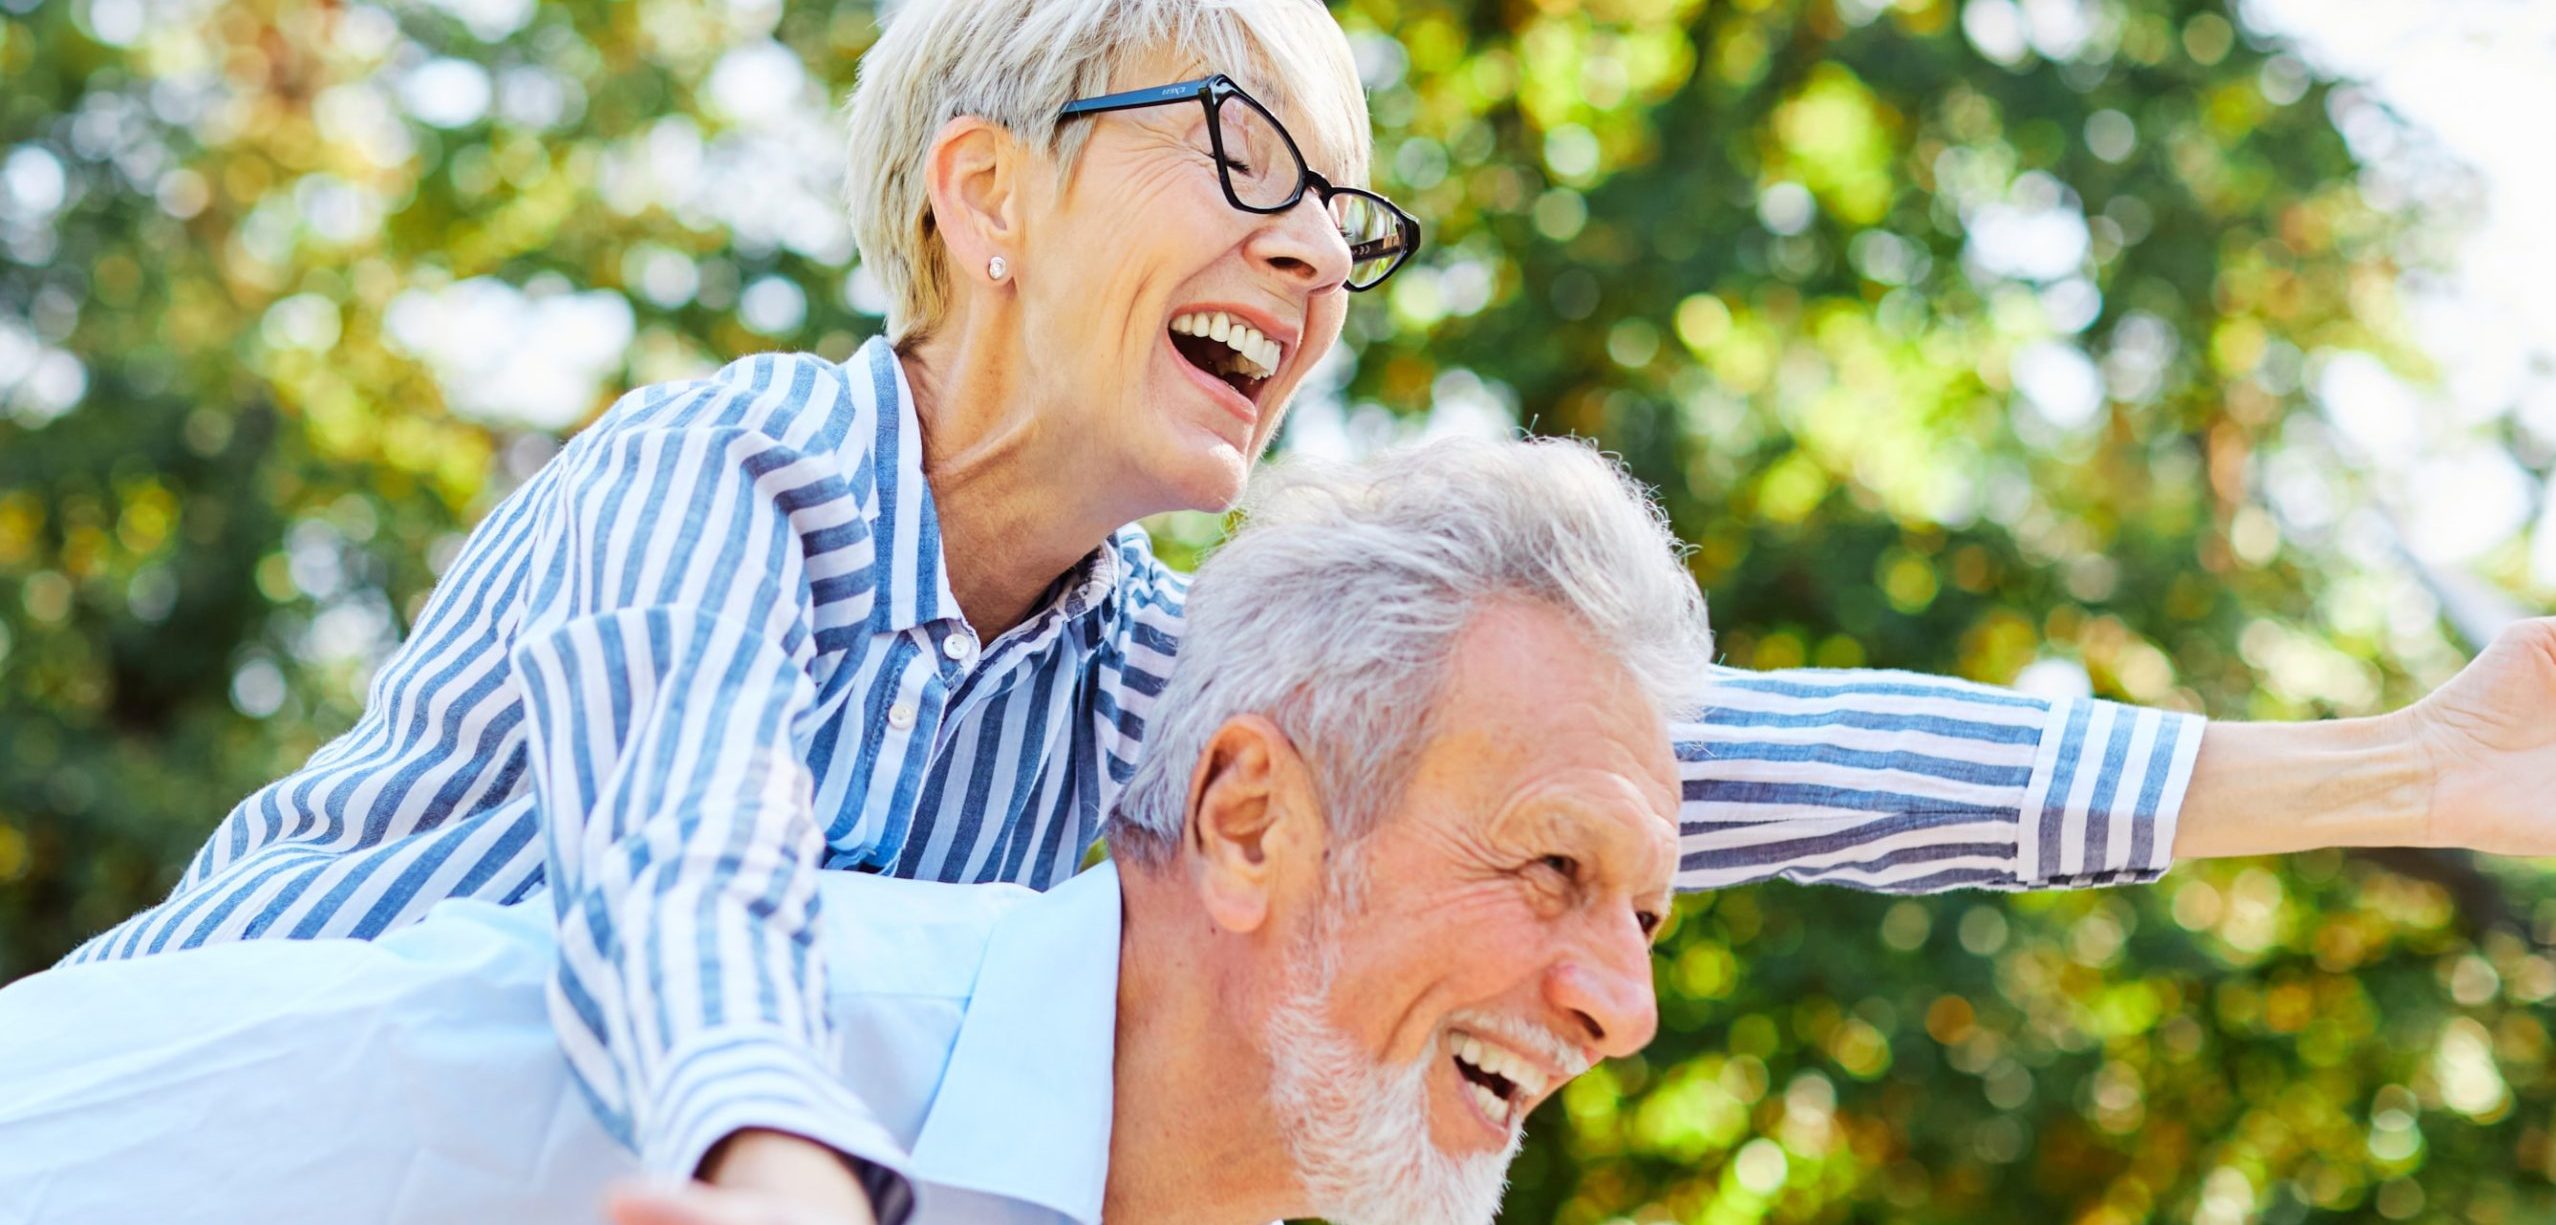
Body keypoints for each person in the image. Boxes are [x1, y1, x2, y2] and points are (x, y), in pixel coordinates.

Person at [48, 0, 2556, 1219]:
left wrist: (2397, 770)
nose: (1313, 252)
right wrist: (784, 1186)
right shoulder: (732, 478)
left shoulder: (1150, 677)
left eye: (1349, 219)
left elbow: (1681, 754)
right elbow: (680, 866)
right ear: (984, 195)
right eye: (1248, 154)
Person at [0, 440, 1700, 1225]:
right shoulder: (531, 1080)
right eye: (1554, 867)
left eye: (1648, 918)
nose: (1622, 1005)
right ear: (1248, 821)